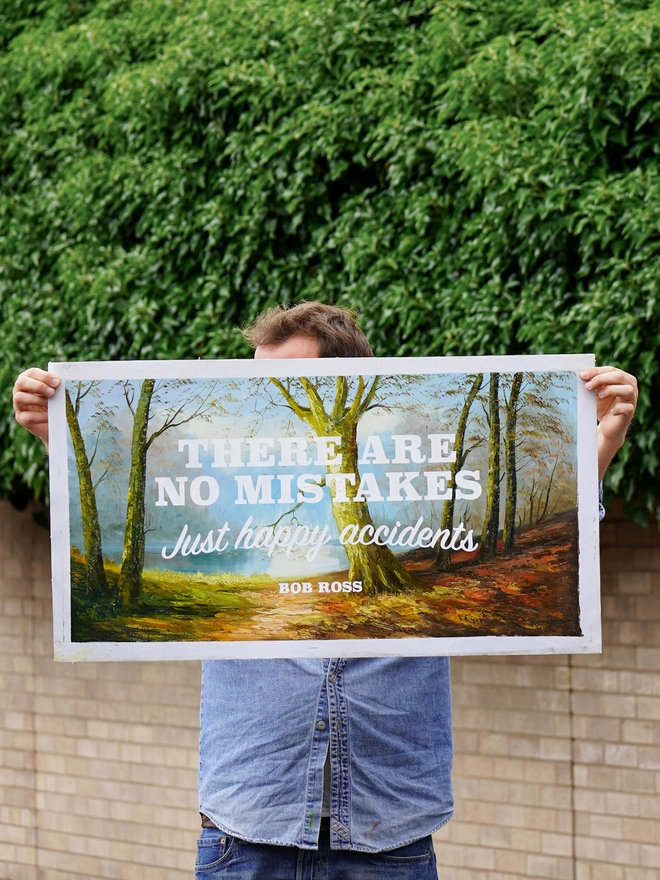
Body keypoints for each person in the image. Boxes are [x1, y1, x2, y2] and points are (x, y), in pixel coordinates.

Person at [13, 302, 638, 880]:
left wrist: (597, 452)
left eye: (286, 383)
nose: (268, 399)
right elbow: (133, 499)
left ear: (346, 390)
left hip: (389, 837)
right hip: (247, 831)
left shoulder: (410, 487)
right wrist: (62, 441)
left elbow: (551, 552)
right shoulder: (232, 483)